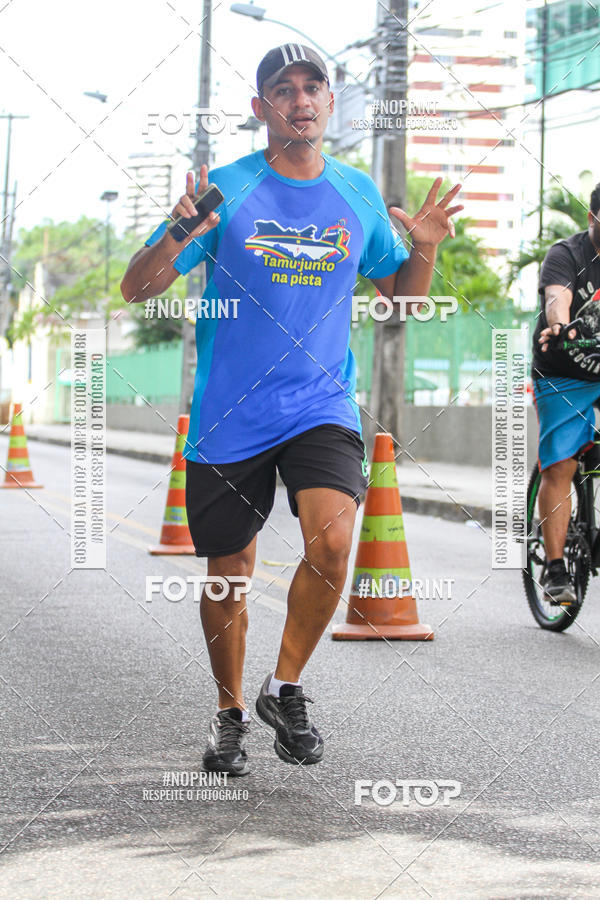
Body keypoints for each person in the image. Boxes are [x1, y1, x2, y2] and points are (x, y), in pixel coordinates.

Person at [121, 44, 462, 776]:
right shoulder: (224, 192)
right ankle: (228, 711)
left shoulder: (358, 194)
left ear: (330, 103)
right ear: (260, 108)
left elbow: (400, 295)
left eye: (314, 87)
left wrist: (424, 248)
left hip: (321, 403)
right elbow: (136, 289)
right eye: (283, 88)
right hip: (230, 411)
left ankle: (286, 686)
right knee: (228, 571)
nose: (301, 100)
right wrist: (182, 230)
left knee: (334, 543)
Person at [533, 182, 600, 605]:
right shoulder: (568, 254)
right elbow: (558, 298)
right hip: (564, 372)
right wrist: (559, 325)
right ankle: (556, 568)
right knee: (559, 467)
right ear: (593, 219)